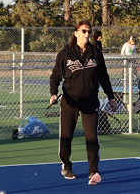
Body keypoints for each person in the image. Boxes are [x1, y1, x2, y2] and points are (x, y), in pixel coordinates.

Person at [49, 21, 117, 185]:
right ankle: (66, 165)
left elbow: (104, 78)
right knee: (66, 137)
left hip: (90, 102)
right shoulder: (65, 53)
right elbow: (55, 76)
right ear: (76, 33)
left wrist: (111, 97)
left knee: (92, 138)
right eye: (84, 31)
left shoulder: (96, 53)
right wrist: (53, 94)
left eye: (89, 31)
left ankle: (93, 171)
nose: (87, 34)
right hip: (69, 102)